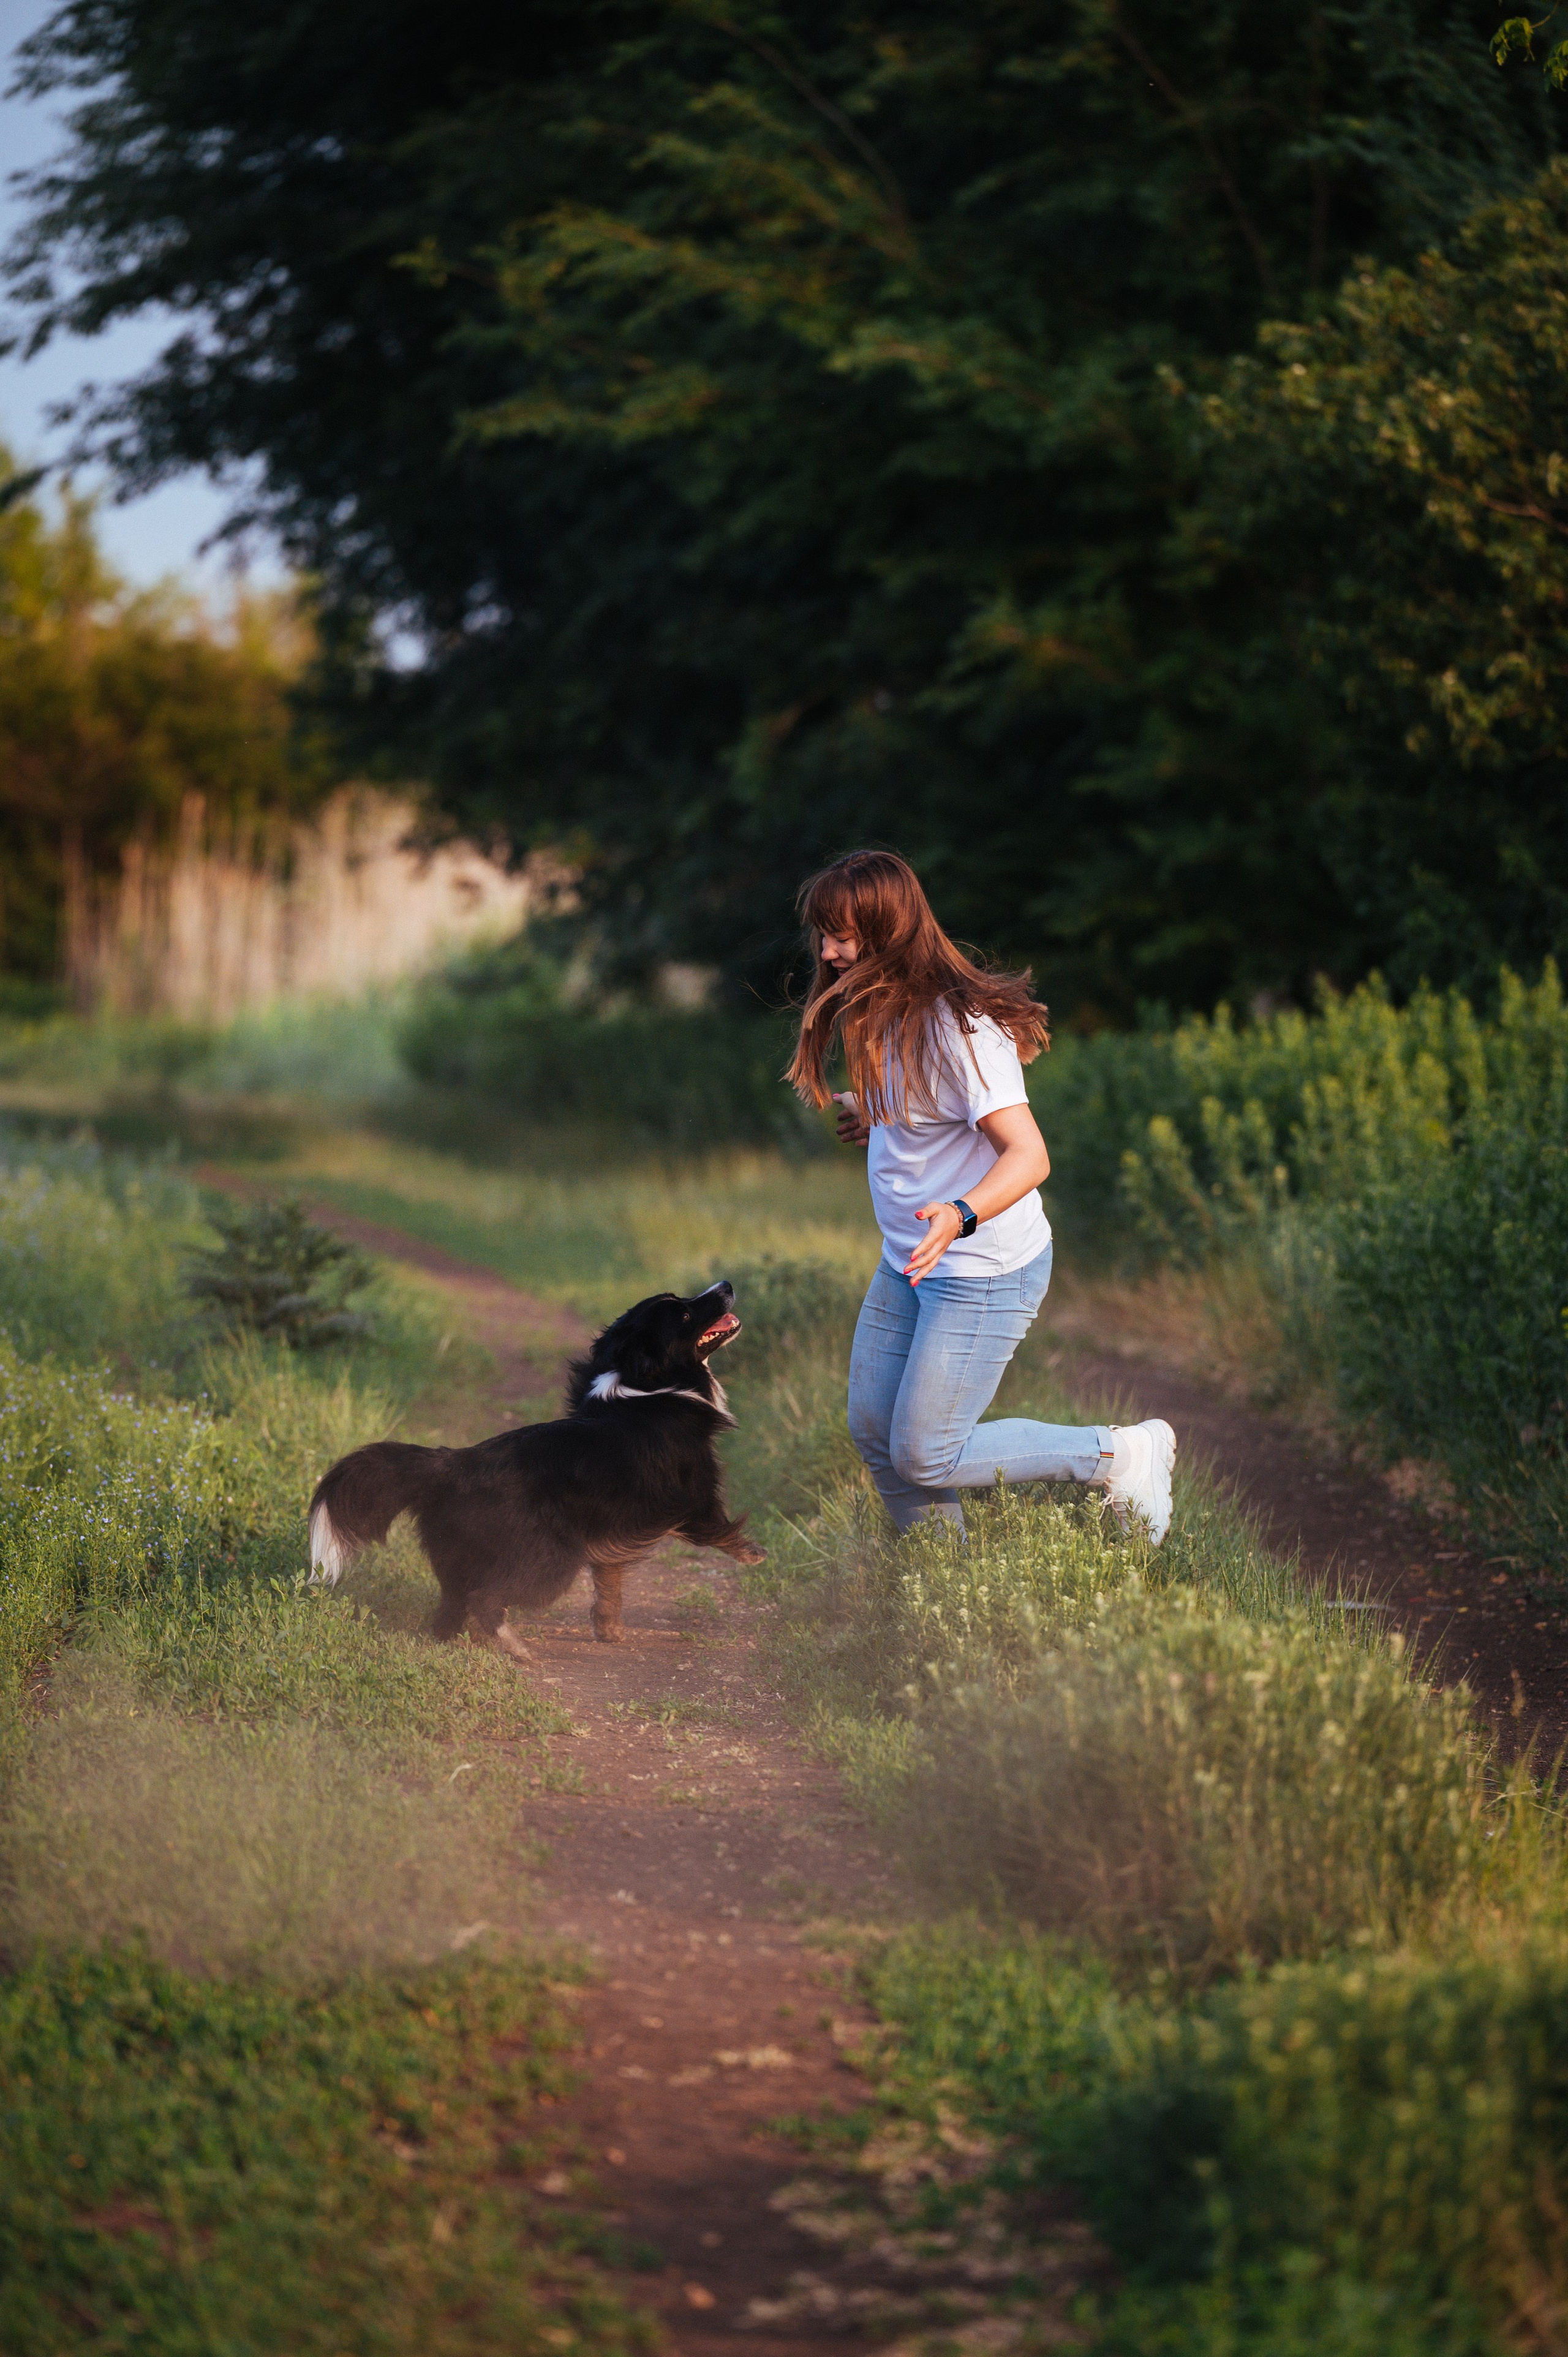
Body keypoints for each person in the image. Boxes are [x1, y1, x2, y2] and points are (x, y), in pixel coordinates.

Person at [786, 848, 1175, 1540]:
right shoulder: (882, 1012)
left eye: (843, 935)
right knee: (876, 1431)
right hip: (910, 1259)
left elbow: (1029, 1155)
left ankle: (1118, 1453)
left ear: (886, 931)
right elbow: (933, 1105)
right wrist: (874, 1108)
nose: (829, 951)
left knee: (927, 1452)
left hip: (981, 1270)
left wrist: (961, 1212)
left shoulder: (958, 1027)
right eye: (825, 934)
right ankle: (938, 1587)